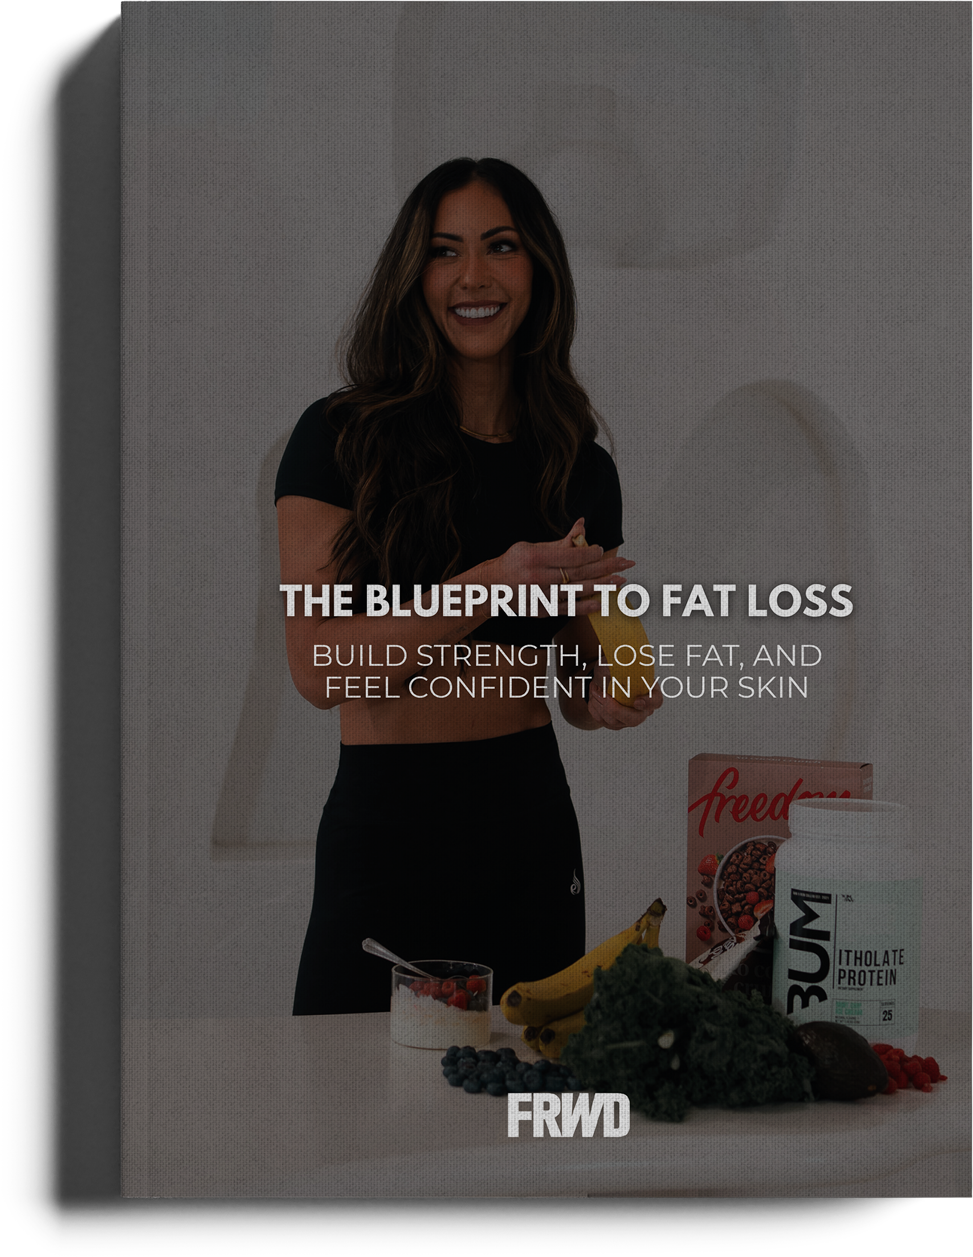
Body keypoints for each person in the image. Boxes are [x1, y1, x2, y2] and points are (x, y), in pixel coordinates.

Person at [275, 158, 662, 1014]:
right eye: (445, 252)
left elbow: (574, 675)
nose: (473, 277)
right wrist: (491, 580)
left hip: (527, 824)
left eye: (501, 247)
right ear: (413, 275)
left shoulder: (579, 464)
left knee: (525, 1114)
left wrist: (602, 698)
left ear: (538, 270)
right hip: (387, 829)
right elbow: (318, 668)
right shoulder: (339, 439)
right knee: (351, 1115)